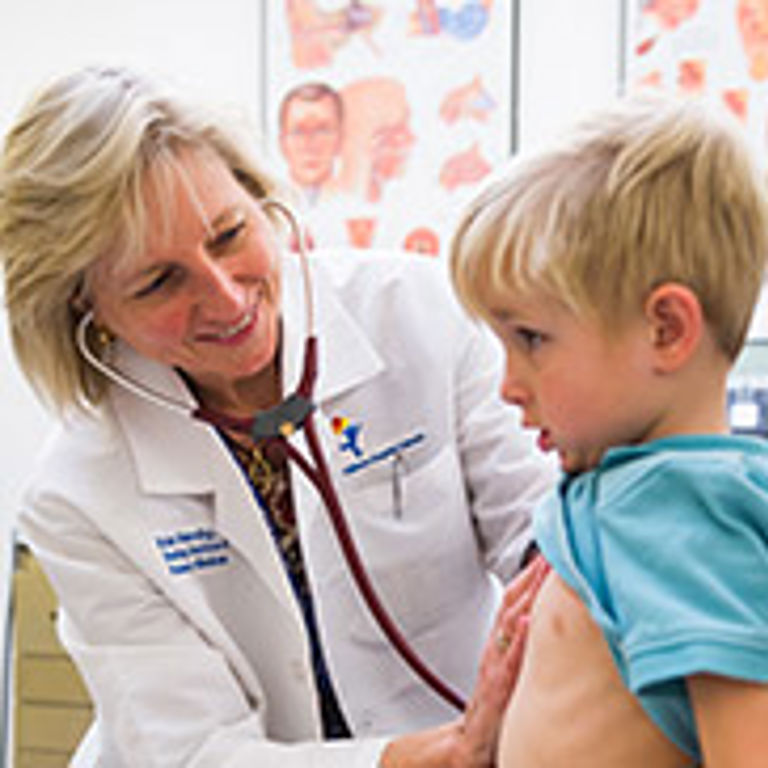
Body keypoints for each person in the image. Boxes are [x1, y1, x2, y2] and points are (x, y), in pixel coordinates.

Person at [0, 66, 554, 767]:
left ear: (261, 201)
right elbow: (195, 752)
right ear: (87, 308)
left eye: (229, 234)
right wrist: (440, 755)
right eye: (160, 281)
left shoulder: (421, 316)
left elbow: (550, 542)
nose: (228, 299)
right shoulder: (78, 493)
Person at [450, 93, 768, 767]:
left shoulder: (679, 512)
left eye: (532, 338)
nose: (507, 385)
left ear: (666, 330)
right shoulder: (625, 494)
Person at [278, 81, 344, 205]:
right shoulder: (266, 207)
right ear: (282, 142)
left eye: (322, 130)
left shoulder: (360, 214)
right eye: (298, 131)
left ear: (340, 139)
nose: (310, 144)